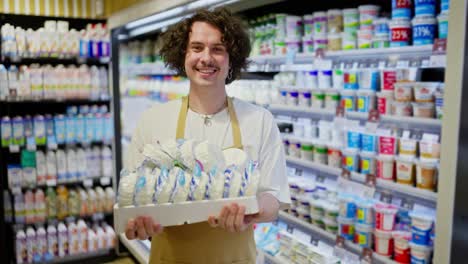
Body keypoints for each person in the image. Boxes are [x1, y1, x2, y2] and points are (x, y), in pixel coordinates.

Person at [124, 8, 290, 264]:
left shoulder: (259, 120)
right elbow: (134, 198)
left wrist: (252, 211)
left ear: (232, 58)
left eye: (218, 49)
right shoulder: (153, 121)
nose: (206, 58)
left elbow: (273, 197)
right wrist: (138, 223)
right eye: (197, 47)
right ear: (182, 55)